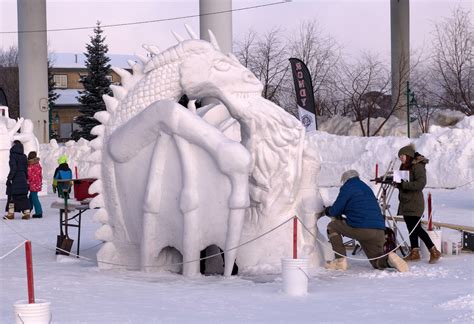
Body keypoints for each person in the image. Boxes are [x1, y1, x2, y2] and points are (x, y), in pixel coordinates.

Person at [323, 170, 408, 272]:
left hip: (361, 228)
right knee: (376, 262)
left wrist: (328, 210)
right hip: (379, 230)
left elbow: (336, 210)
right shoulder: (366, 188)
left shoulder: (347, 187)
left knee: (332, 226)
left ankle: (340, 261)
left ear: (345, 180)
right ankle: (390, 260)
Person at [396, 144, 441, 264]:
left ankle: (434, 251)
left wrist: (403, 185)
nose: (401, 158)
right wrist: (396, 183)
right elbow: (403, 182)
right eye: (399, 156)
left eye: (402, 156)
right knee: (411, 228)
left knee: (417, 228)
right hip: (405, 202)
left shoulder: (418, 167)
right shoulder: (404, 166)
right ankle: (414, 252)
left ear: (408, 155)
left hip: (415, 202)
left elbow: (421, 183)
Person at [3, 140, 31, 220]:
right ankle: (27, 213)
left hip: (15, 178)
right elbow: (26, 169)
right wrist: (26, 178)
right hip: (23, 177)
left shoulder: (13, 155)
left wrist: (9, 178)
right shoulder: (24, 156)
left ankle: (10, 214)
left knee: (11, 196)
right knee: (23, 196)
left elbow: (13, 168)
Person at [27, 151, 43, 218]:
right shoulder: (38, 164)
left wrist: (27, 181)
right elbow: (40, 175)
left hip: (33, 184)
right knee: (31, 197)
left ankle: (39, 212)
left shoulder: (30, 166)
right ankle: (28, 210)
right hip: (37, 183)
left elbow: (29, 176)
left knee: (34, 198)